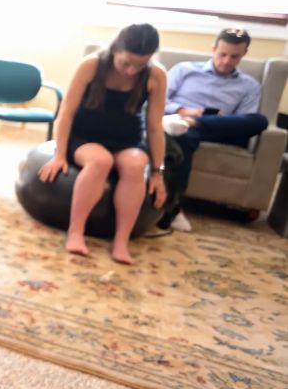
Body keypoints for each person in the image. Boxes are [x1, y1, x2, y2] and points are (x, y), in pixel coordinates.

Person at [37, 24, 168, 264]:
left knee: (137, 165)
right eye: (126, 63)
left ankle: (121, 240)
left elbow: (154, 126)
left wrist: (158, 172)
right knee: (100, 161)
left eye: (140, 65)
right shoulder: (91, 65)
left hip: (128, 140)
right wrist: (60, 154)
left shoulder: (156, 75)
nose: (131, 71)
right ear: (116, 49)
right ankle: (76, 232)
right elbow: (65, 113)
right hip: (85, 136)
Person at [158, 27, 269, 232]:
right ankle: (173, 207)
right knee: (184, 134)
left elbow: (245, 121)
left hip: (218, 131)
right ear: (213, 49)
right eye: (223, 54)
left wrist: (208, 120)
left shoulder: (250, 85)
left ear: (244, 54)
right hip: (178, 121)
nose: (227, 61)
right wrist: (185, 110)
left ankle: (194, 123)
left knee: (260, 120)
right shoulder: (184, 69)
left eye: (234, 56)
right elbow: (158, 99)